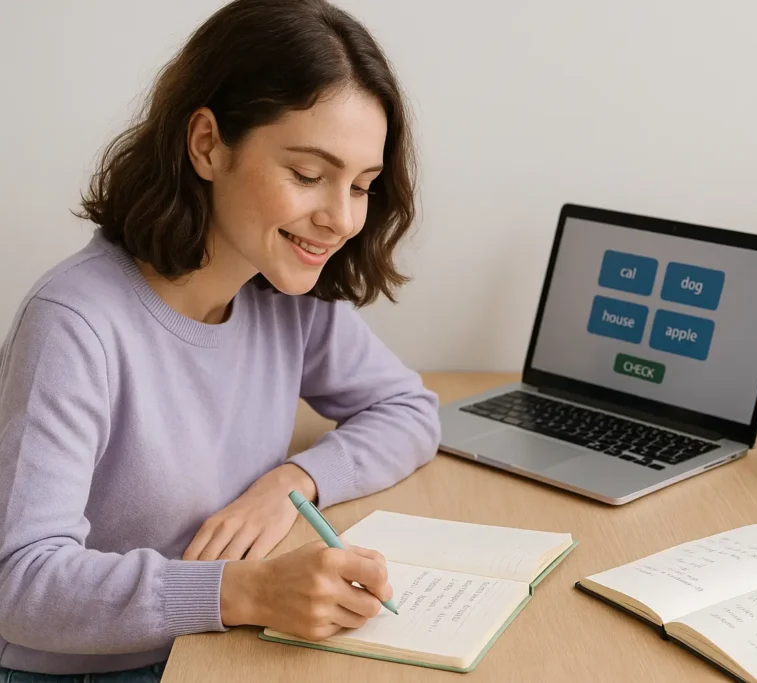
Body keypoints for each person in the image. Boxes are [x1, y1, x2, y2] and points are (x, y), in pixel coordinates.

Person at [0, 0, 442, 680]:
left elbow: (410, 410)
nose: (340, 217)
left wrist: (296, 479)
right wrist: (249, 590)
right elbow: (22, 583)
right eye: (308, 175)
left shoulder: (283, 295)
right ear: (207, 144)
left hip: (217, 647)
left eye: (362, 185)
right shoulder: (75, 323)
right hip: (81, 667)